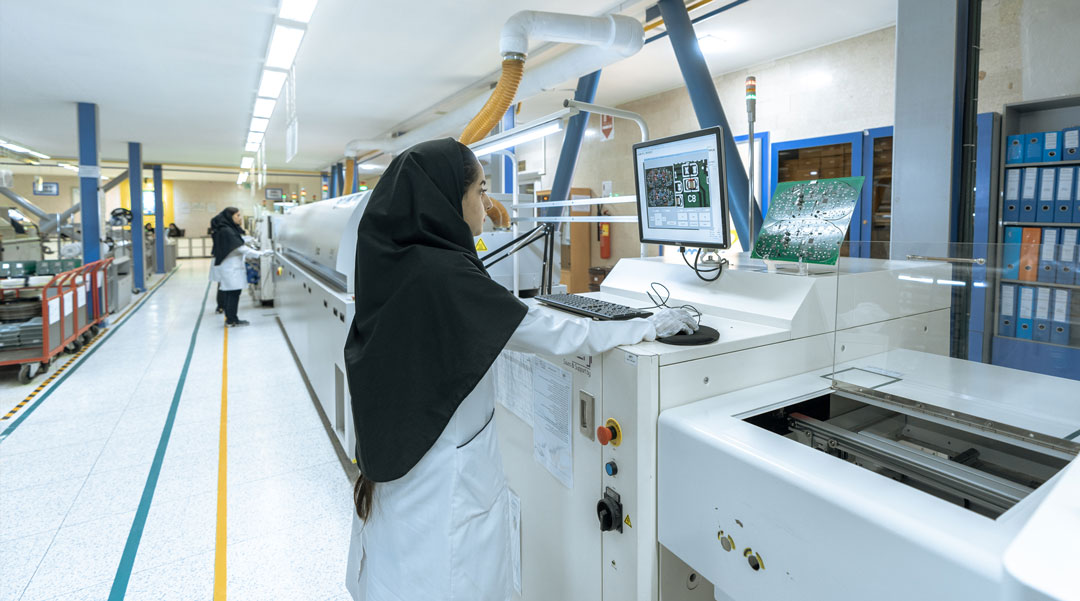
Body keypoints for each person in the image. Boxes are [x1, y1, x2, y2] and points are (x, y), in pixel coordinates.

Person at [343, 138, 698, 601]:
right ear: (448, 199)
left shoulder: (394, 258)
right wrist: (647, 325)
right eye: (480, 190)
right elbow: (548, 332)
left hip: (400, 468)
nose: (486, 204)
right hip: (443, 483)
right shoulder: (441, 274)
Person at [208, 207, 263, 327]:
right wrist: (260, 254)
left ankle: (231, 318)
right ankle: (232, 320)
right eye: (237, 215)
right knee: (233, 294)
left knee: (231, 293)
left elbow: (237, 241)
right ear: (230, 216)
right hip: (231, 268)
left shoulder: (225, 229)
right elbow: (240, 248)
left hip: (229, 267)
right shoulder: (226, 230)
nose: (240, 218)